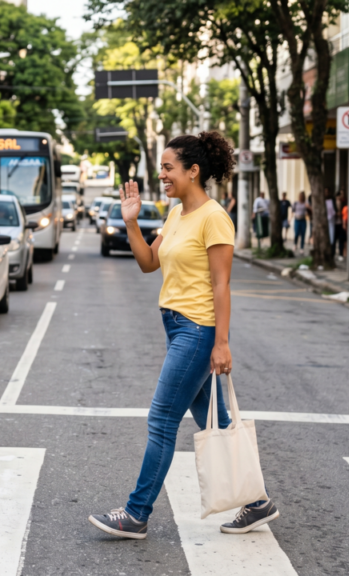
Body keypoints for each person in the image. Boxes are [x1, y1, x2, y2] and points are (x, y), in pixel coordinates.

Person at [88, 132, 278, 541]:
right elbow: (147, 262)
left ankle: (136, 513)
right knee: (220, 422)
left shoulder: (214, 217)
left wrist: (221, 342)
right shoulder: (176, 215)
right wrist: (131, 220)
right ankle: (258, 501)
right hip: (176, 327)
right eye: (162, 167)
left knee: (161, 420)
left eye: (168, 167)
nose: (162, 175)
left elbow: (221, 285)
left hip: (196, 331)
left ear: (193, 171)